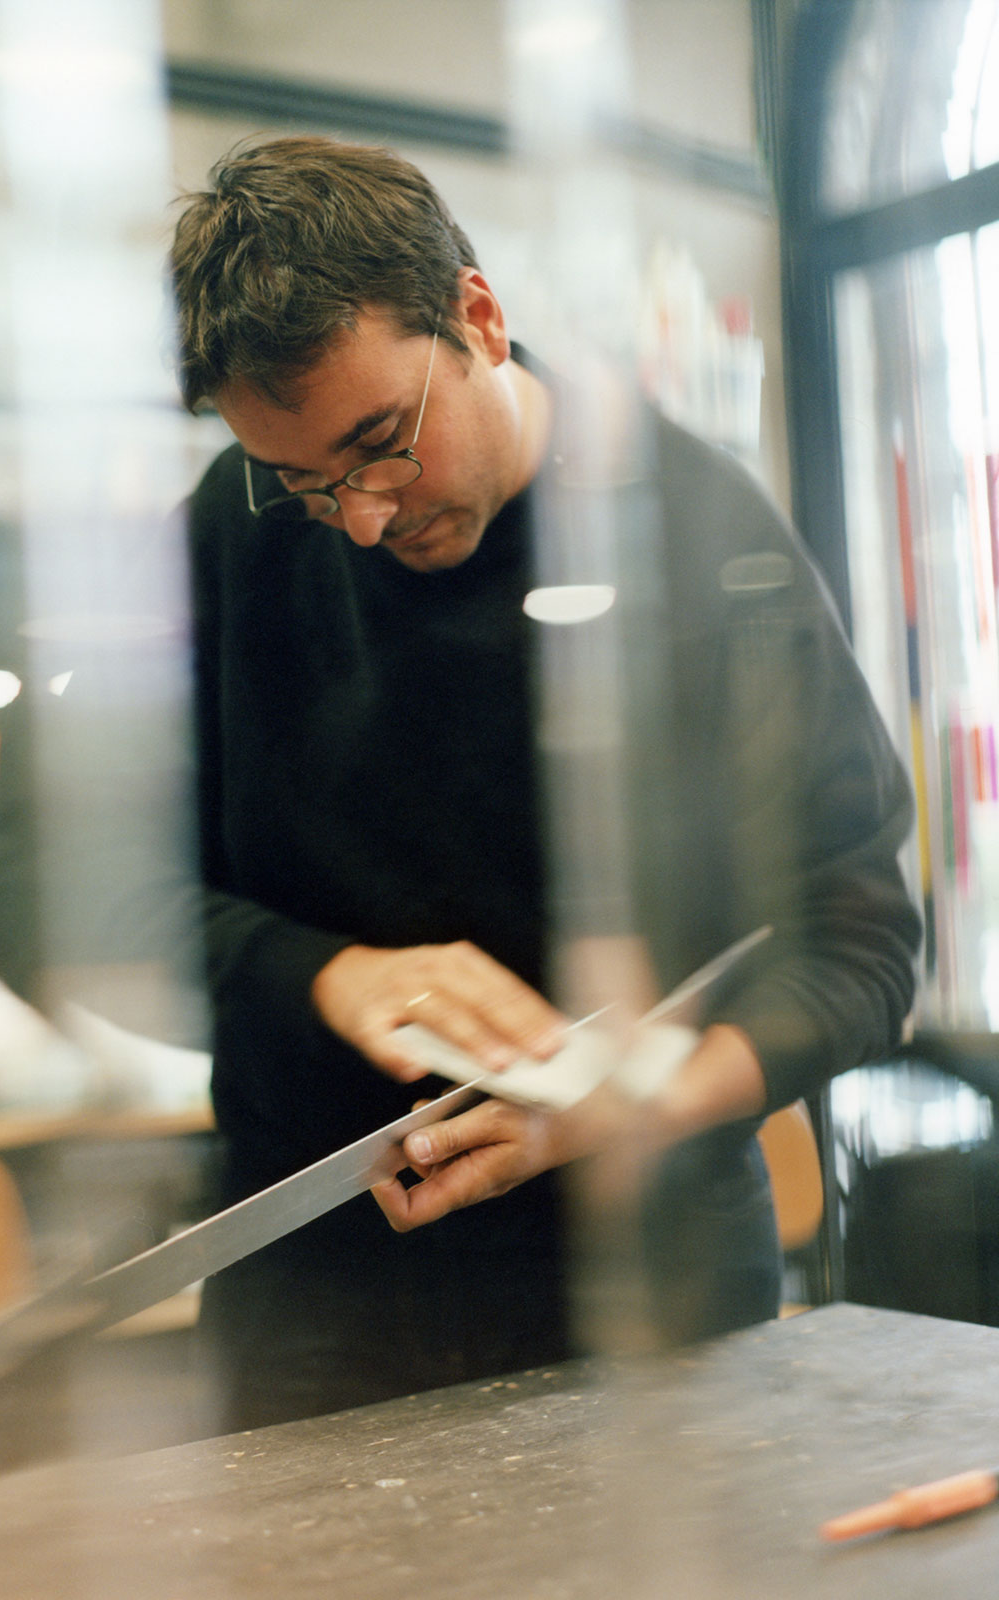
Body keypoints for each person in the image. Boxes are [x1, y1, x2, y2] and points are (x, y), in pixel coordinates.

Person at [170, 135, 920, 1431]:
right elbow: (57, 885)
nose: (358, 517)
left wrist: (630, 1101)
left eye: (380, 444)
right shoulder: (231, 532)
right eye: (304, 483)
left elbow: (861, 946)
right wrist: (324, 974)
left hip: (647, 1313)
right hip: (312, 1316)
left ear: (479, 314)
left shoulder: (695, 534)